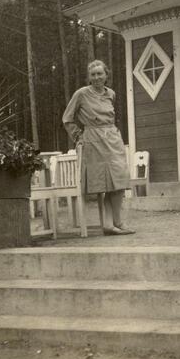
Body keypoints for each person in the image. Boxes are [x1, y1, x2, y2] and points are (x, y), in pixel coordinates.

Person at [62, 60, 134, 235]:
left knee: (119, 181)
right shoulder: (81, 94)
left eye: (100, 74)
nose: (96, 77)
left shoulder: (111, 94)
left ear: (106, 75)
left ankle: (116, 222)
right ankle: (110, 225)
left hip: (113, 140)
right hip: (93, 141)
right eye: (93, 74)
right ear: (89, 77)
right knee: (106, 183)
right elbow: (67, 118)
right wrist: (78, 136)